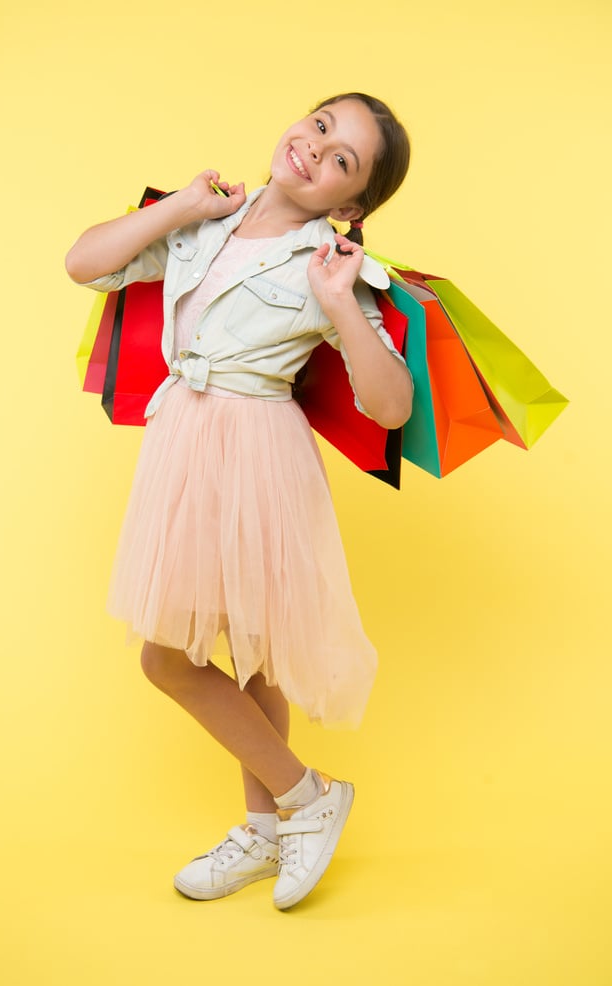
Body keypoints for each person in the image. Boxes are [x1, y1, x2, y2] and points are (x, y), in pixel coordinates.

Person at [66, 92, 414, 910]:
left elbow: (391, 403)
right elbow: (85, 263)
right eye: (322, 127)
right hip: (182, 438)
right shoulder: (205, 217)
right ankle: (271, 829)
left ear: (350, 204)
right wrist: (181, 206)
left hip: (257, 450)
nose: (316, 152)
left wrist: (338, 306)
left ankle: (303, 800)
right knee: (220, 652)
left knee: (199, 654)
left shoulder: (331, 269)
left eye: (342, 162)